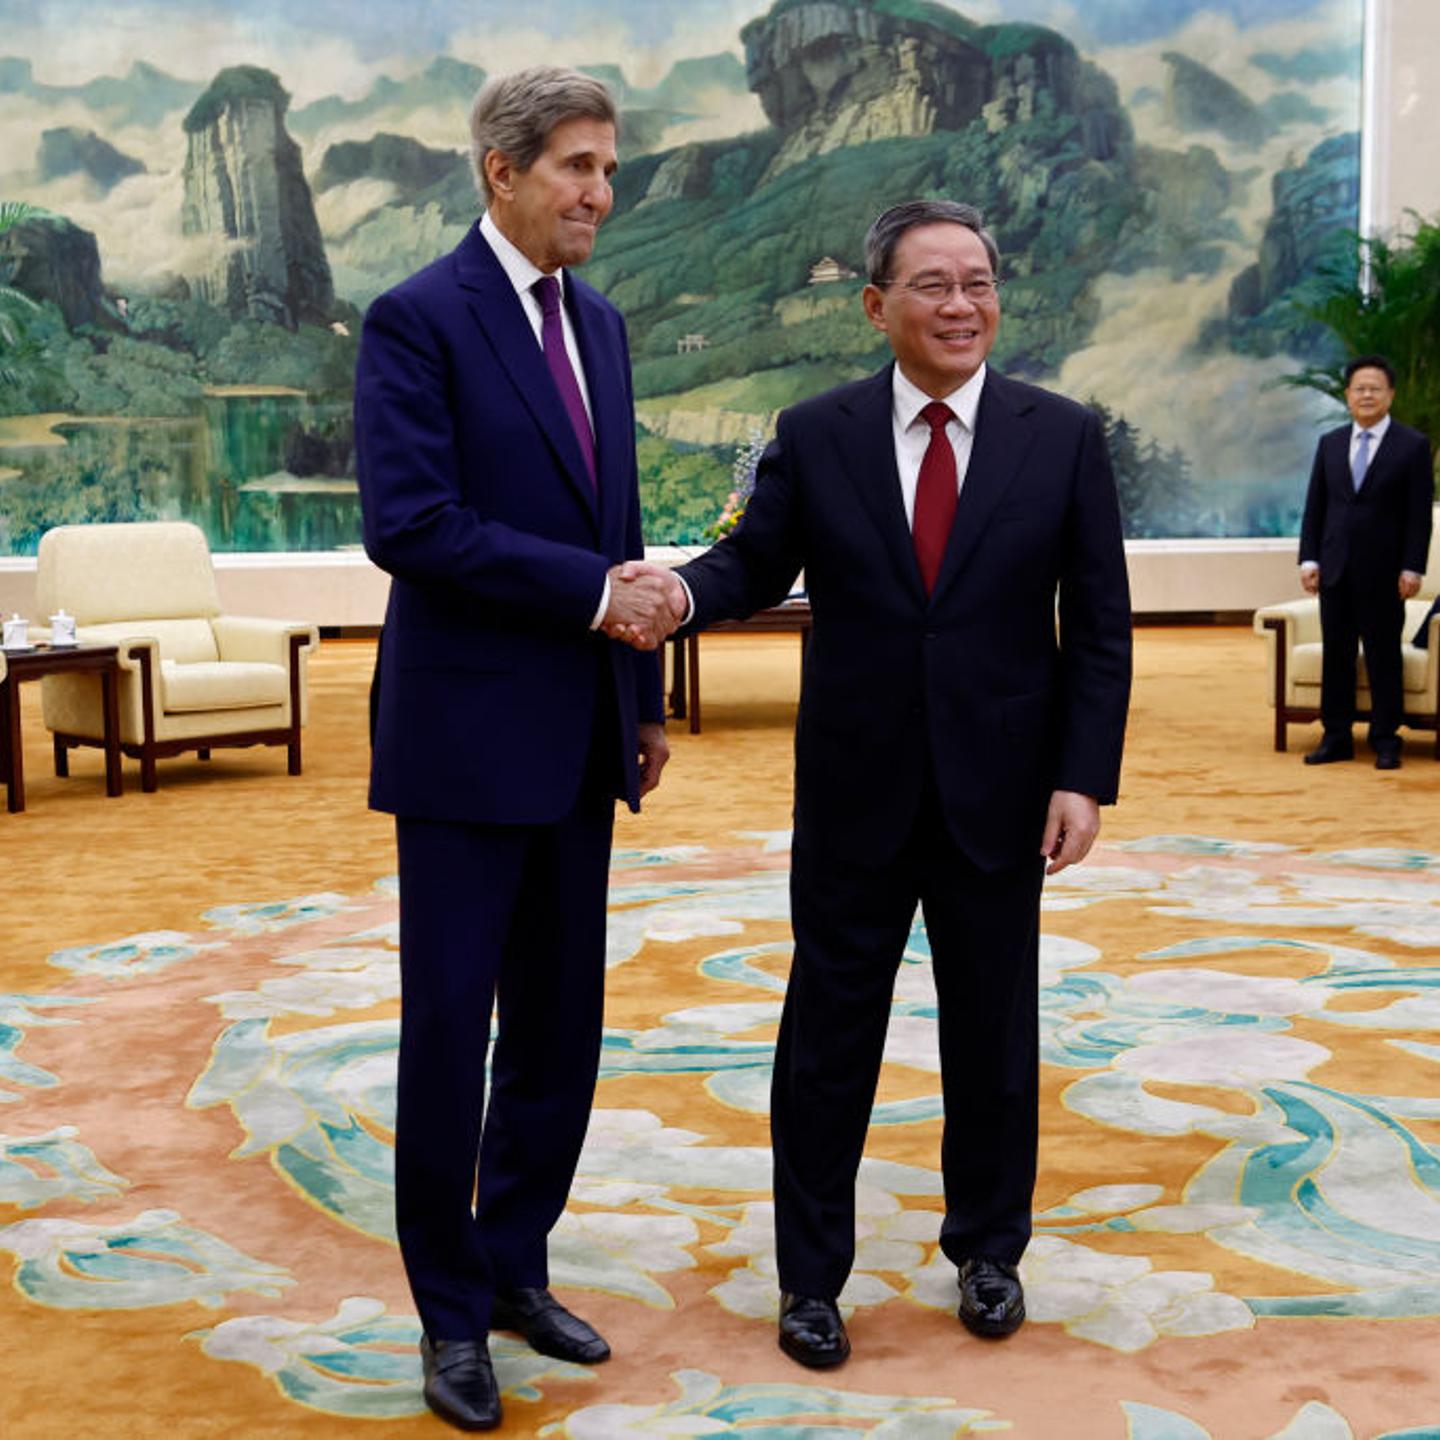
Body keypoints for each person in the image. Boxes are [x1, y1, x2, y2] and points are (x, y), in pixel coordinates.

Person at [628, 199, 1132, 1366]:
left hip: (1002, 790)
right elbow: (754, 561)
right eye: (933, 286)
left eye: (979, 284)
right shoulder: (818, 432)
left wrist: (1082, 777)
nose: (962, 306)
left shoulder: (1060, 435)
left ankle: (989, 1251)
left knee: (993, 1035)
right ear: (876, 306)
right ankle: (812, 1279)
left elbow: (1098, 624)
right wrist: (677, 595)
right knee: (827, 1041)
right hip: (856, 789)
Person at [354, 66, 682, 1432]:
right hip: (461, 741)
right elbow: (411, 527)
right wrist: (598, 597)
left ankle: (514, 1267)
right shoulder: (417, 319)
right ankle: (447, 1319)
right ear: (499, 168)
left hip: (580, 738)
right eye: (577, 168)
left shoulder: (600, 324)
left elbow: (615, 514)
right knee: (450, 1036)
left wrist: (643, 693)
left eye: (609, 169)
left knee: (557, 1036)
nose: (600, 193)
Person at [1299, 354, 1434, 770]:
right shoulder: (1331, 443)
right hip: (1335, 570)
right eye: (1360, 388)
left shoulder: (1412, 446)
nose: (1367, 394)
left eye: (1376, 387)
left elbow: (1418, 515)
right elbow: (1315, 507)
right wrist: (1309, 558)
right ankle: (1336, 736)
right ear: (1347, 395)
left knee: (1383, 657)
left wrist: (1413, 567)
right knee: (1337, 656)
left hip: (1386, 574)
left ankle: (1385, 738)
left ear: (1390, 394)